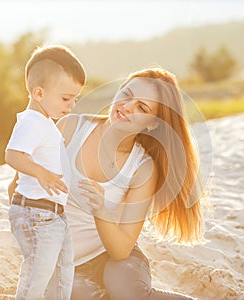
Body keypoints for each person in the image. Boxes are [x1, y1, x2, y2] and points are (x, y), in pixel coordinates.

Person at [56, 68, 205, 300]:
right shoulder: (70, 128)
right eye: (127, 94)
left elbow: (121, 250)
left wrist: (102, 211)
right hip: (67, 263)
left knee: (128, 294)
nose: (126, 107)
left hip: (114, 257)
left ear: (153, 124)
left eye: (142, 107)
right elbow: (20, 186)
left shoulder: (142, 167)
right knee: (78, 293)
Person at [5, 44, 86, 299]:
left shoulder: (46, 123)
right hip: (37, 213)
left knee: (62, 274)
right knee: (36, 277)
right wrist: (42, 173)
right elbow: (13, 154)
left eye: (75, 98)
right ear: (39, 93)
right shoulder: (32, 121)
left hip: (54, 215)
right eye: (65, 98)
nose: (71, 104)